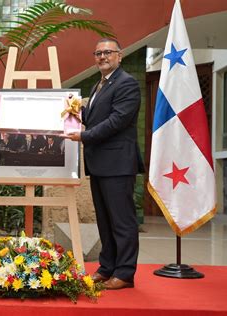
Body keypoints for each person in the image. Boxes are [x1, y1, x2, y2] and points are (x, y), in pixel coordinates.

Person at [62, 38, 144, 290]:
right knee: (105, 221)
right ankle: (107, 267)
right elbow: (95, 117)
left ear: (119, 56)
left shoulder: (127, 83)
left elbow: (118, 120)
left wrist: (83, 135)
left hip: (118, 163)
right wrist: (71, 111)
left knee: (122, 221)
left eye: (107, 52)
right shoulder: (100, 84)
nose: (102, 57)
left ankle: (125, 272)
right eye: (97, 53)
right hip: (100, 163)